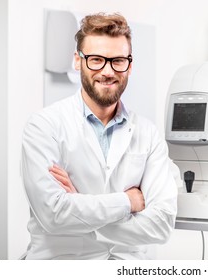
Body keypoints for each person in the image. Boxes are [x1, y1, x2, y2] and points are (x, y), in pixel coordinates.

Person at [21, 13, 178, 259]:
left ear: (130, 64)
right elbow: (54, 215)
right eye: (96, 60)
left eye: (117, 61)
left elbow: (161, 225)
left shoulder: (147, 133)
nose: (107, 71)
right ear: (77, 61)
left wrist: (81, 208)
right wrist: (129, 202)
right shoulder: (44, 126)